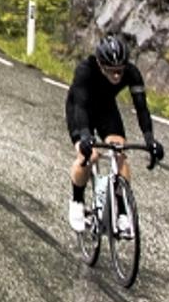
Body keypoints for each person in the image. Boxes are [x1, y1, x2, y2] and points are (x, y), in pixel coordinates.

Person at [65, 32, 163, 232]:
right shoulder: (85, 70)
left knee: (119, 152)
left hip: (106, 109)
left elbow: (142, 108)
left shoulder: (132, 73)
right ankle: (76, 202)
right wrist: (85, 136)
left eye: (120, 70)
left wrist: (150, 139)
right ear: (100, 65)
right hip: (80, 107)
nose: (117, 76)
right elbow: (81, 107)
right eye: (112, 71)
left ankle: (122, 212)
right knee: (89, 155)